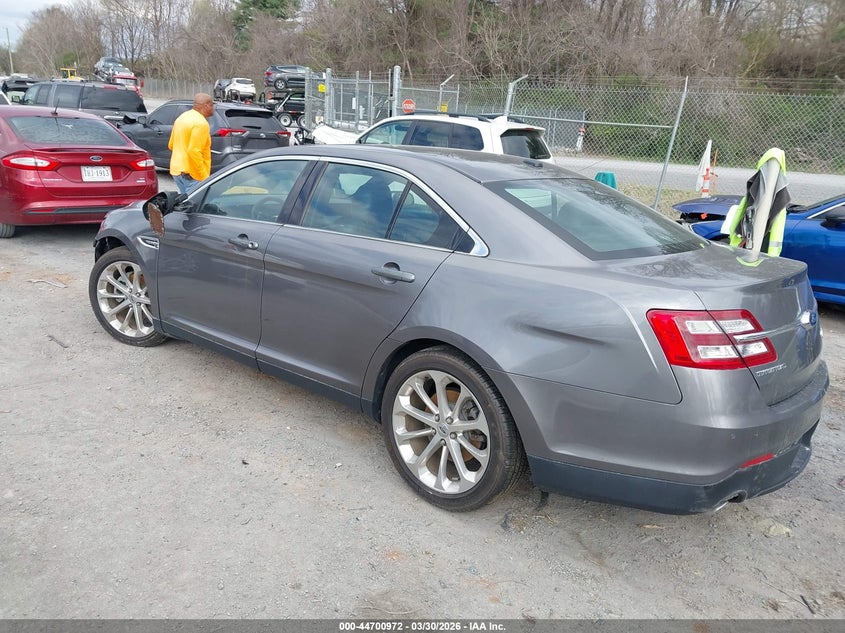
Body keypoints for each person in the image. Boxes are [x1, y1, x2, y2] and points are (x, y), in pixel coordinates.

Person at [168, 93, 214, 195]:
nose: (213, 108)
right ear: (206, 105)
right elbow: (194, 151)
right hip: (192, 174)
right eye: (212, 105)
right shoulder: (201, 123)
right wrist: (204, 177)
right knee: (195, 206)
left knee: (185, 204)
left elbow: (171, 145)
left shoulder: (182, 118)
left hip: (177, 170)